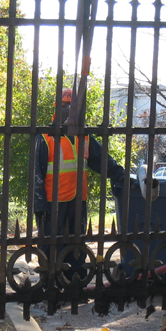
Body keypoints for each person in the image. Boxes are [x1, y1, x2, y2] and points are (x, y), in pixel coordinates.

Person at [34, 87, 126, 280]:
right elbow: (36, 174)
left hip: (77, 200)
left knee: (76, 244)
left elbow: (101, 160)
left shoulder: (83, 136)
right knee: (52, 245)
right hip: (53, 203)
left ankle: (74, 282)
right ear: (57, 109)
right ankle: (50, 285)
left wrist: (121, 175)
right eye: (66, 106)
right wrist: (39, 205)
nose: (70, 111)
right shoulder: (45, 138)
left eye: (73, 107)